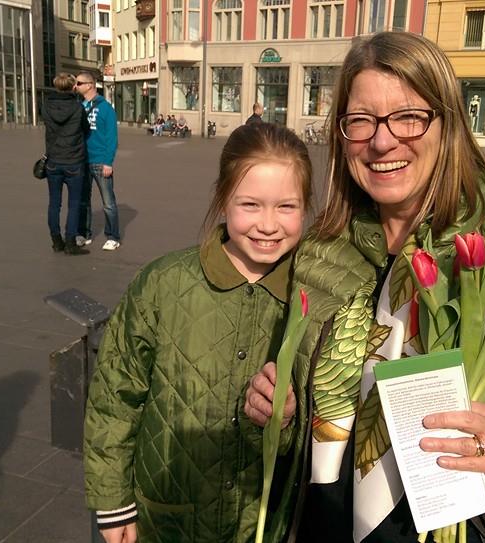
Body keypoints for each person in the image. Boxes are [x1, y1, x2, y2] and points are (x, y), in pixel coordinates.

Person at [244, 32, 485, 543]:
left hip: (479, 525)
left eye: (409, 117)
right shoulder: (322, 248)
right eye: (360, 120)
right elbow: (317, 406)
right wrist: (284, 411)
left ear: (448, 122)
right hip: (327, 521)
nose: (382, 141)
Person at [83, 122, 313, 543]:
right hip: (165, 519)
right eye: (250, 205)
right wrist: (113, 502)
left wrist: (285, 421)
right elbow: (114, 397)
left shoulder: (309, 299)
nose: (268, 224)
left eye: (286, 207)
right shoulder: (162, 283)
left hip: (258, 525)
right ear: (223, 199)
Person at [42, 73, 88, 254]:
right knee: (74, 204)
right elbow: (85, 129)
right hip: (74, 160)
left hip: (53, 160)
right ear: (72, 87)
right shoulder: (78, 107)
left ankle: (56, 241)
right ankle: (70, 242)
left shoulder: (46, 106)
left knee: (54, 203)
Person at [75, 72, 121, 251]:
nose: (76, 86)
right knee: (83, 200)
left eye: (79, 83)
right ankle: (84, 233)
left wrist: (108, 162)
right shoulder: (79, 106)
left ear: (90, 85)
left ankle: (113, 236)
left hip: (100, 161)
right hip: (83, 160)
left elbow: (111, 137)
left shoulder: (106, 108)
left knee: (108, 202)